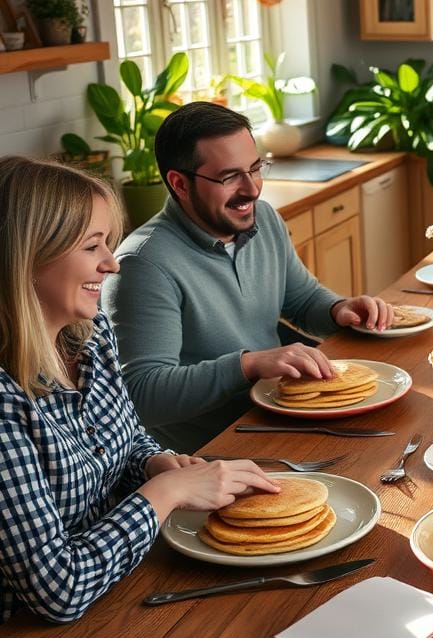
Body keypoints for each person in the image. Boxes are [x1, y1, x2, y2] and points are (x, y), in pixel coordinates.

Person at [0, 156, 302, 638]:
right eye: (93, 247)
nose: (111, 265)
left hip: (117, 617)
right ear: (26, 259)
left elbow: (126, 436)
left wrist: (156, 461)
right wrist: (163, 494)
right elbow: (55, 590)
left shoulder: (86, 332)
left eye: (109, 243)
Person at [102, 102, 394, 453]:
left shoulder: (263, 218)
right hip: (213, 452)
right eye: (229, 177)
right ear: (179, 183)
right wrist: (248, 364)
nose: (252, 189)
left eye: (256, 168)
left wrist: (338, 309)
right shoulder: (143, 264)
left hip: (281, 417)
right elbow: (143, 394)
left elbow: (300, 299)